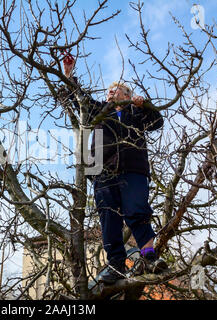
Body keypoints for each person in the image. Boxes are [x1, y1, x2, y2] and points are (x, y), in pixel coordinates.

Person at [62, 53, 167, 284]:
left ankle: (149, 256)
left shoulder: (136, 113)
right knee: (108, 217)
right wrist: (69, 75)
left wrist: (145, 105)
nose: (110, 93)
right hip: (102, 171)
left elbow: (157, 123)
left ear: (128, 96)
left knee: (136, 210)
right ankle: (115, 265)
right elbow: (77, 97)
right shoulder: (100, 110)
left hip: (133, 170)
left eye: (116, 90)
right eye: (109, 91)